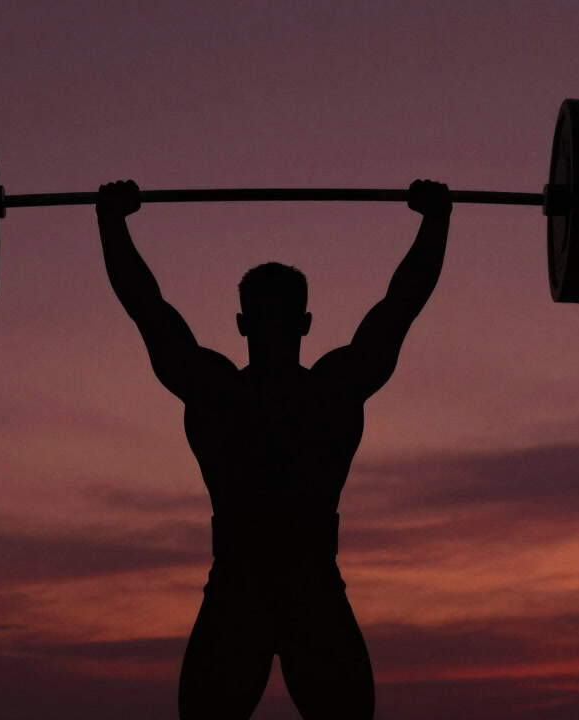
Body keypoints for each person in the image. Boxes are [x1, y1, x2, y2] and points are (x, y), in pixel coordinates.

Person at [96, 179, 451, 720]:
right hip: (305, 585)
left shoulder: (216, 390)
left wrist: (112, 221)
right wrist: (435, 219)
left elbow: (147, 307)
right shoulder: (332, 389)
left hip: (245, 585)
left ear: (240, 324)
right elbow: (401, 304)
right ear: (307, 323)